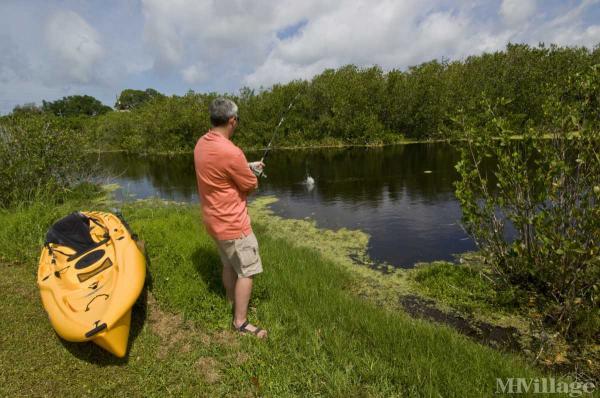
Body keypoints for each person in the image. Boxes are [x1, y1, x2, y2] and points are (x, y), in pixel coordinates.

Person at [194, 97, 267, 338]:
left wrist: (246, 165)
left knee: (228, 265)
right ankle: (241, 323)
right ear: (232, 120)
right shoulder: (231, 152)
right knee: (247, 271)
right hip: (234, 225)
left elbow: (221, 170)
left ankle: (230, 301)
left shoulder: (202, 144)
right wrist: (252, 172)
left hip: (213, 221)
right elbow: (250, 185)